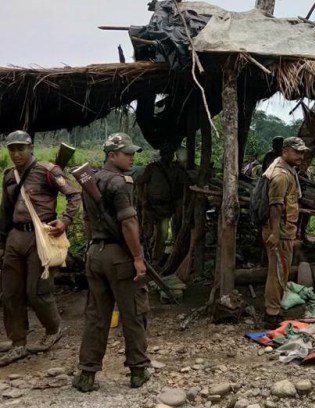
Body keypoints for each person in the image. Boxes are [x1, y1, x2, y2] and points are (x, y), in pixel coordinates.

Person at [72, 133, 151, 392]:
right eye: (127, 153)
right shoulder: (120, 182)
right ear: (112, 155)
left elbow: (87, 221)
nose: (132, 158)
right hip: (119, 256)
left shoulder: (91, 180)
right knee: (133, 312)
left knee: (96, 315)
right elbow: (128, 222)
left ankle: (87, 374)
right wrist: (137, 257)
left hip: (95, 253)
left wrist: (92, 245)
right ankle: (138, 371)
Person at [0, 130, 81, 366]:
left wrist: (65, 220)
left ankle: (53, 329)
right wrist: (2, 244)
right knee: (10, 292)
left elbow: (74, 195)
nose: (16, 154)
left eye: (21, 148)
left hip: (41, 237)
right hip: (15, 236)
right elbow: (5, 212)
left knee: (36, 291)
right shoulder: (9, 175)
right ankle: (18, 343)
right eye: (12, 149)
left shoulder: (48, 171)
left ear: (31, 148)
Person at [261, 136, 308, 329]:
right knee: (278, 273)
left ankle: (274, 307)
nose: (301, 156)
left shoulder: (287, 169)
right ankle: (271, 313)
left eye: (302, 153)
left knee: (280, 271)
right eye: (297, 152)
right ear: (285, 151)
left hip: (284, 230)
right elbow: (276, 206)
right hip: (279, 231)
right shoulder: (281, 175)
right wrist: (274, 233)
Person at [136, 143, 186, 263]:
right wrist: (143, 200)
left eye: (170, 154)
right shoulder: (152, 168)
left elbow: (184, 184)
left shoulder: (176, 170)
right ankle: (143, 257)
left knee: (162, 236)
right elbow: (140, 183)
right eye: (166, 154)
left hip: (166, 207)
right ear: (162, 155)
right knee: (147, 233)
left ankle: (156, 260)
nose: (168, 156)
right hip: (150, 206)